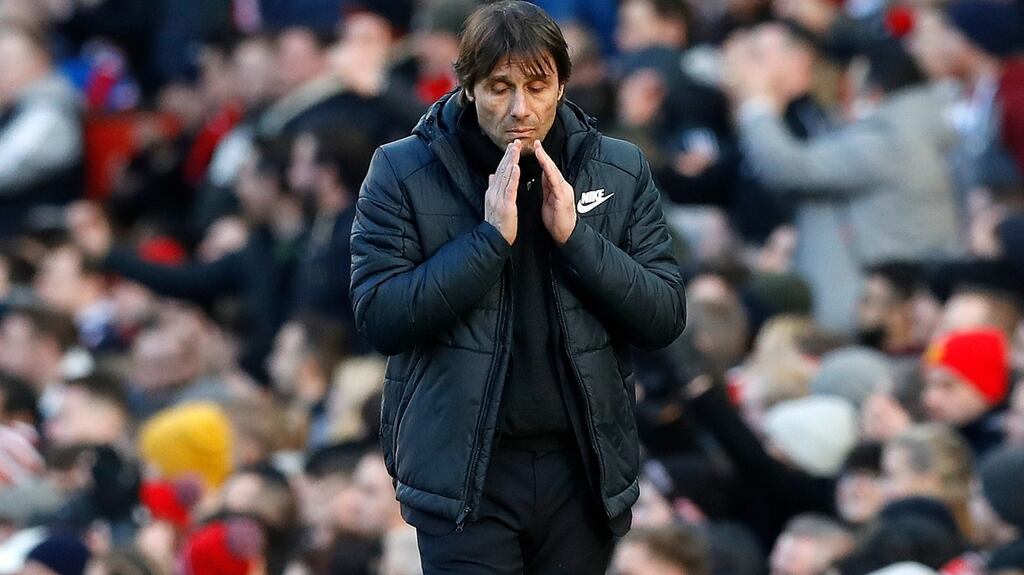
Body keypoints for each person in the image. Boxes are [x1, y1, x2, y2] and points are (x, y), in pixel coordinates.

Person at [349, 1, 687, 571]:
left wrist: (578, 240)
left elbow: (664, 316)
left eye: (537, 85)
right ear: (468, 87)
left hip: (581, 470)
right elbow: (379, 315)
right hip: (463, 474)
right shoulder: (402, 169)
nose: (520, 108)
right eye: (499, 87)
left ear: (562, 84)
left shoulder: (619, 168)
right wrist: (486, 243)